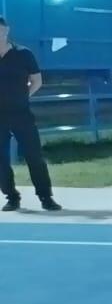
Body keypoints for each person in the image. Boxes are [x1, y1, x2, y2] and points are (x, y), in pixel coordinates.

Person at [0, 16, 60, 212]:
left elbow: (36, 80)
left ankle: (45, 197)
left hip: (21, 114)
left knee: (34, 156)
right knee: (1, 160)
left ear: (6, 30)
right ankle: (11, 197)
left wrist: (23, 96)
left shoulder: (23, 54)